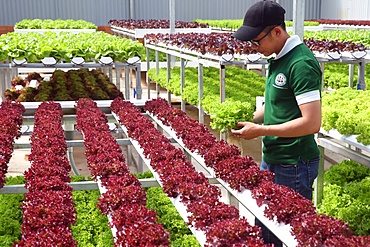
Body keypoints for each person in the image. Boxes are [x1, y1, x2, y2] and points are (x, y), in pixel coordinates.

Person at [231, 0, 322, 246]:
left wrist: (261, 130)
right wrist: (248, 120)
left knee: (290, 233)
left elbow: (312, 123)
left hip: (293, 164)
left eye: (256, 41)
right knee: (266, 227)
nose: (254, 47)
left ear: (277, 32)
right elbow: (275, 106)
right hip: (273, 158)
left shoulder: (300, 64)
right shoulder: (277, 57)